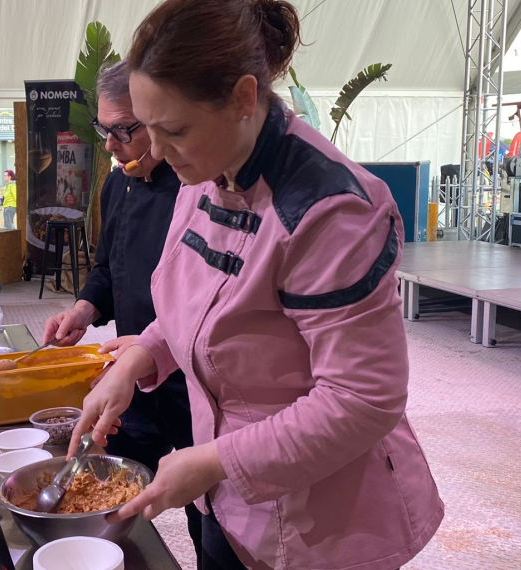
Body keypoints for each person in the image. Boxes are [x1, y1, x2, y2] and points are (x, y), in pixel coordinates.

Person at [70, 1, 443, 569]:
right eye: (147, 128)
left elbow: (363, 399)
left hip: (324, 522)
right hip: (229, 501)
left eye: (173, 129)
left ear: (244, 99)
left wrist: (215, 460)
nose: (156, 151)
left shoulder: (330, 210)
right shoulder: (205, 168)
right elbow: (196, 304)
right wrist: (138, 358)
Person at [42, 59, 201, 562]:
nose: (109, 144)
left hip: (196, 378)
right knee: (111, 498)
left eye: (123, 131)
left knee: (209, 511)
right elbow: (110, 268)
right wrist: (85, 309)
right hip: (133, 377)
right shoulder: (117, 186)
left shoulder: (198, 190)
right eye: (103, 130)